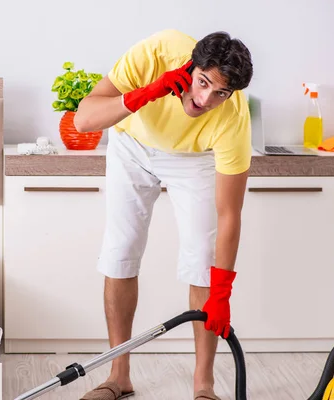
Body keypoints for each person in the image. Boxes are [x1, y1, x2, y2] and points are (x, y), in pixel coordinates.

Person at [73, 29, 254, 400]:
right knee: (121, 250)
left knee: (204, 260)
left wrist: (222, 292)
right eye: (202, 82)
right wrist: (148, 92)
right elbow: (84, 120)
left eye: (220, 92)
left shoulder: (233, 117)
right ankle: (118, 376)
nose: (205, 99)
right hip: (132, 145)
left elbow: (229, 215)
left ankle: (204, 386)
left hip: (195, 157)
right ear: (191, 66)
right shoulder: (155, 52)